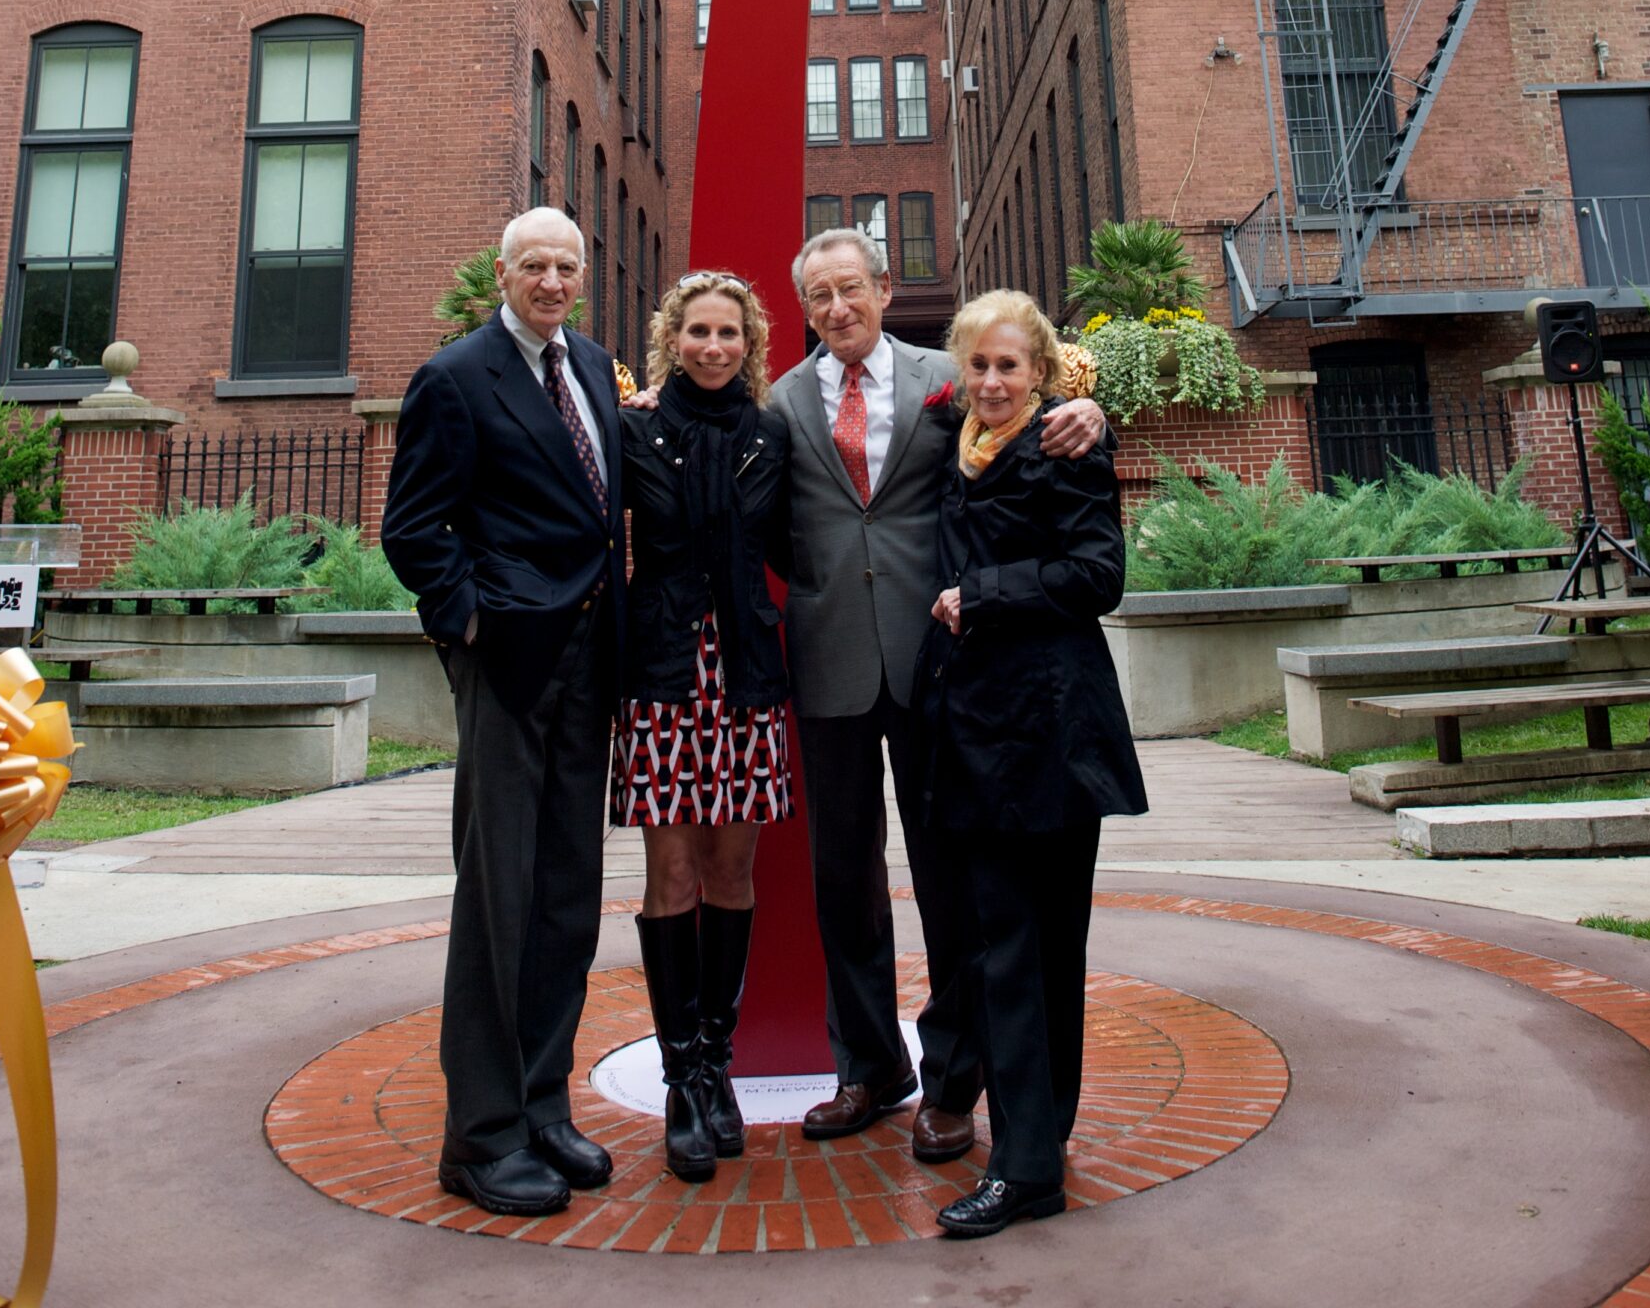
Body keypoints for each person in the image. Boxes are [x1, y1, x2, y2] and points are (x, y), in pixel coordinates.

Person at [772, 225, 1108, 1163]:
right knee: (842, 878)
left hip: (940, 664)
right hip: (829, 664)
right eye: (818, 298)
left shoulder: (944, 378)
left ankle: (953, 1077)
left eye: (851, 290)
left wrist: (1095, 414)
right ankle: (869, 1067)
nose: (837, 309)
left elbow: (1028, 407)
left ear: (883, 289)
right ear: (805, 309)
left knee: (951, 879)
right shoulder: (782, 401)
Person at [381, 207, 625, 1220]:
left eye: (566, 265)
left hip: (588, 670)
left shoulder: (594, 368)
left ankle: (541, 1103)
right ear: (502, 271)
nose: (553, 280)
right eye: (535, 265)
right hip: (509, 669)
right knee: (498, 901)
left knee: (567, 898)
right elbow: (411, 526)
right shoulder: (455, 375)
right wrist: (468, 622)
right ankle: (479, 1140)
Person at [913, 288, 1147, 1241]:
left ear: (1043, 375)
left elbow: (1100, 577)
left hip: (1046, 736)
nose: (993, 380)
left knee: (1035, 952)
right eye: (978, 364)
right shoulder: (952, 444)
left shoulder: (1066, 448)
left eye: (1011, 366)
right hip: (970, 734)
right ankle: (1034, 1148)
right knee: (1000, 948)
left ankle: (1024, 1168)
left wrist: (985, 592)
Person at [611, 271, 793, 1183]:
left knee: (732, 871)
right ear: (671, 340)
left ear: (749, 343)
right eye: (697, 332)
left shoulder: (772, 435)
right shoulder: (632, 428)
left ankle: (716, 1064)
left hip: (749, 678)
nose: (713, 347)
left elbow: (804, 545)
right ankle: (681, 1076)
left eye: (729, 333)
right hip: (663, 675)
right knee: (670, 876)